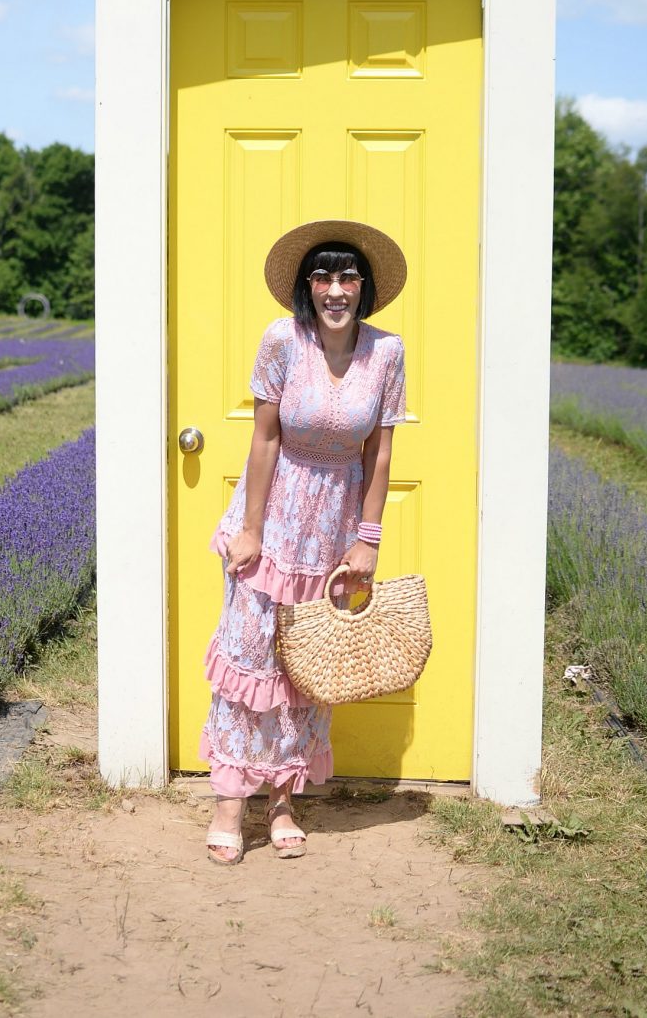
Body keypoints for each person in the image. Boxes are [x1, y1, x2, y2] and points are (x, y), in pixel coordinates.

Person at [201, 219, 407, 864]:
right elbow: (263, 439)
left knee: (307, 663)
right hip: (275, 508)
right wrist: (251, 529)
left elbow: (380, 453)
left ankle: (285, 800)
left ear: (365, 286)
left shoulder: (388, 352)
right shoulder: (281, 340)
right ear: (306, 285)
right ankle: (229, 804)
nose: (335, 289)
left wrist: (368, 540)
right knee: (251, 655)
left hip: (335, 524)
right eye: (323, 275)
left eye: (348, 276)